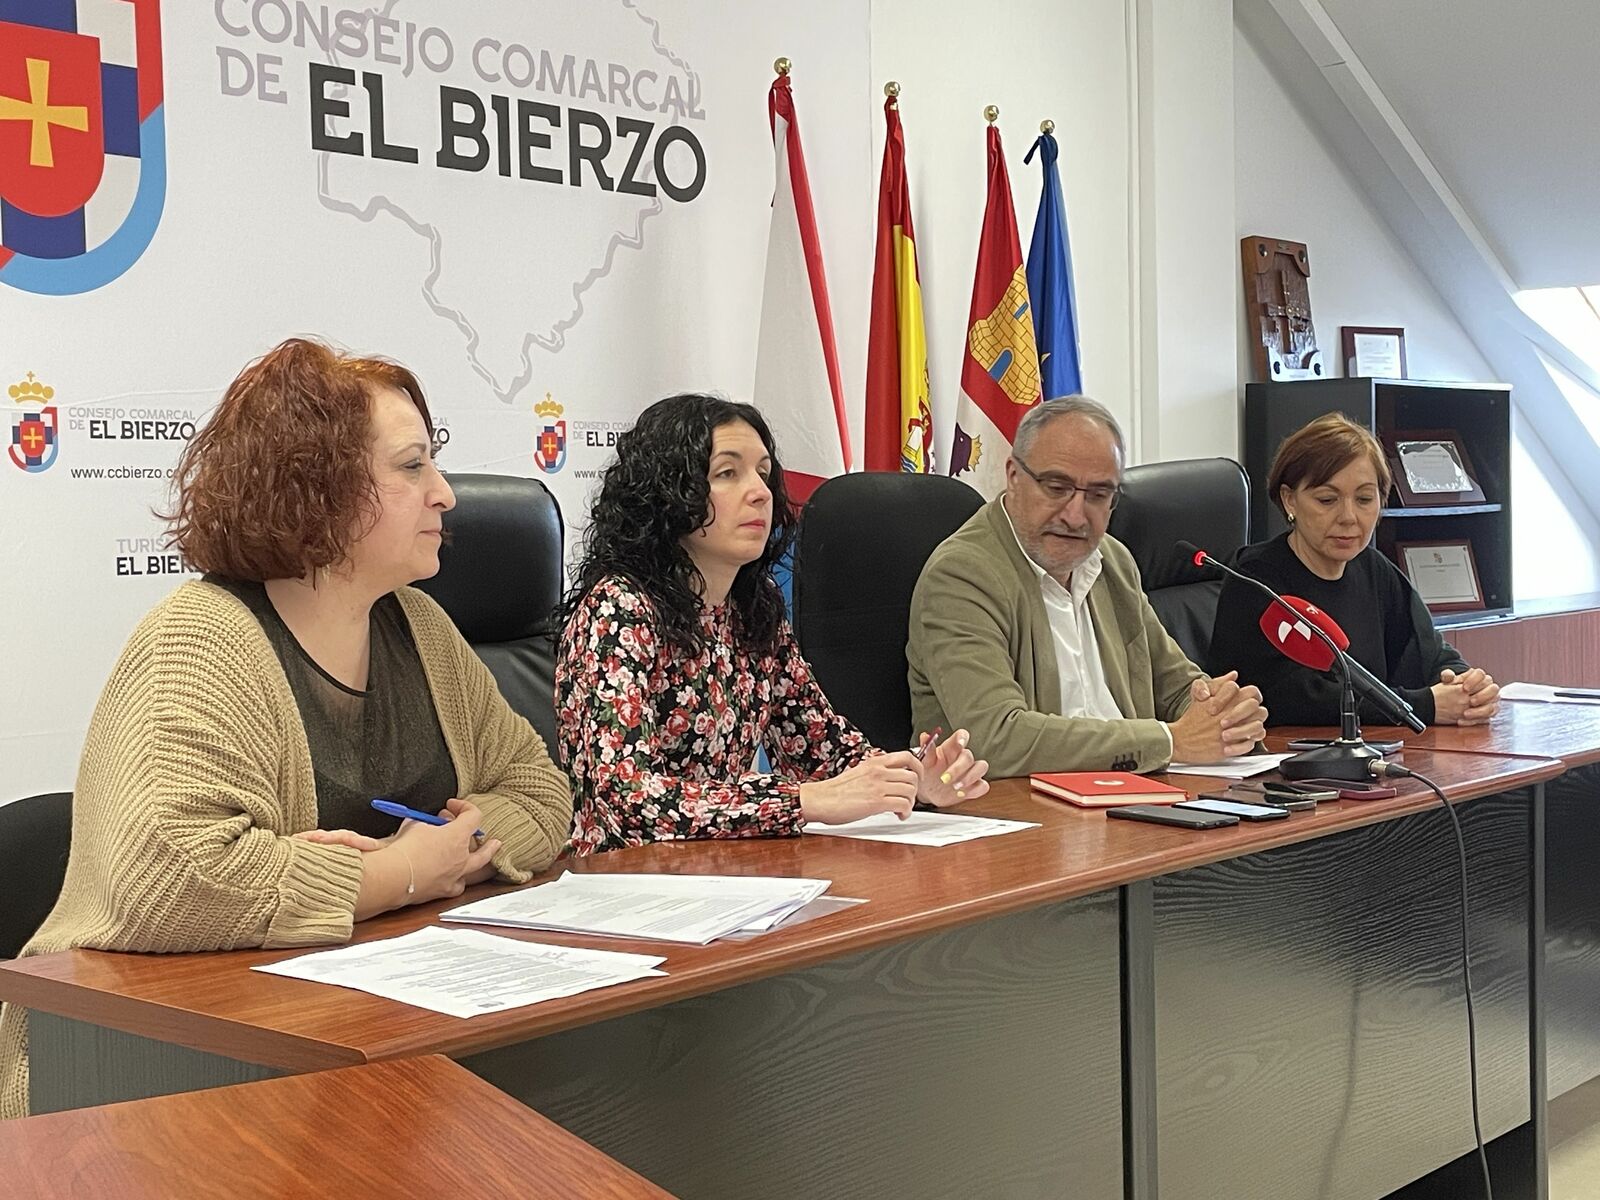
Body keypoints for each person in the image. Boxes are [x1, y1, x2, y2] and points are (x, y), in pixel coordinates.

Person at [0, 339, 572, 1120]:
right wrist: (398, 876)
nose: (444, 493)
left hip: (359, 1033)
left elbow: (538, 791)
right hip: (131, 1070)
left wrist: (454, 853)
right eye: (411, 467)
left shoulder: (421, 628)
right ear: (318, 490)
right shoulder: (200, 639)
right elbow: (166, 878)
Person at [555, 393, 989, 855]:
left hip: (730, 873)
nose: (761, 491)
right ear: (669, 494)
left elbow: (820, 748)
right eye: (727, 473)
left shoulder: (752, 609)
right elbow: (626, 803)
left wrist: (912, 780)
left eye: (763, 473)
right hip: (624, 883)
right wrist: (801, 801)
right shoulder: (618, 612)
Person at [908, 396, 1267, 778]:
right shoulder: (962, 575)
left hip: (1133, 797)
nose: (1075, 515)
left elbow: (1177, 687)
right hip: (1017, 809)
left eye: (1098, 495)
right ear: (1013, 476)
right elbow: (994, 739)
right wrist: (1171, 741)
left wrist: (1225, 714)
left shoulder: (1111, 561)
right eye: (1057, 487)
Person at [1205, 411, 1498, 727]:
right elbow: (1289, 697)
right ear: (1289, 501)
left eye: (1364, 499)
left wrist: (1468, 687)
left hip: (1376, 754)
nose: (1348, 516)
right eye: (1327, 500)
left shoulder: (1374, 570)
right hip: (1285, 760)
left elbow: (1430, 653)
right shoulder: (1256, 579)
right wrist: (1422, 706)